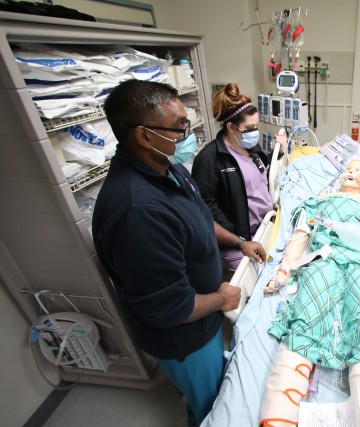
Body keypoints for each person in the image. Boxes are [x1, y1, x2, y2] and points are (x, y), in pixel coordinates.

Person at [92, 80, 240, 426]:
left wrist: (237, 242)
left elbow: (200, 220)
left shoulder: (167, 169)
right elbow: (172, 307)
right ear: (144, 136)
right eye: (180, 127)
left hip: (203, 318)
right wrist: (220, 298)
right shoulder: (137, 211)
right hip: (184, 336)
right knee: (212, 407)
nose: (189, 133)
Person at [259, 159, 360, 427]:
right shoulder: (319, 201)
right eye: (350, 169)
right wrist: (284, 271)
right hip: (324, 259)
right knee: (308, 313)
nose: (352, 173)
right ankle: (278, 417)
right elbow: (300, 238)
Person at [191, 83, 284, 275]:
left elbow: (261, 174)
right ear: (231, 127)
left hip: (265, 226)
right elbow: (205, 206)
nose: (255, 132)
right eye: (250, 128)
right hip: (240, 242)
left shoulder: (249, 145)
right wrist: (237, 237)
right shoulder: (210, 160)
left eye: (256, 126)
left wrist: (279, 153)